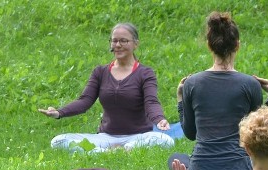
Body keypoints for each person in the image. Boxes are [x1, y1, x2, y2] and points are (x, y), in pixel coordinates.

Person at [168, 12, 268, 170]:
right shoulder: (250, 84)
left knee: (175, 159)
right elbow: (260, 135)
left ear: (209, 45)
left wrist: (180, 99)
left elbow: (190, 134)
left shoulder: (192, 83)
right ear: (237, 45)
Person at [39, 22, 173, 153]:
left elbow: (151, 101)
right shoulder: (100, 72)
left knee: (165, 140)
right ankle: (109, 151)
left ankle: (116, 149)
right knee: (58, 141)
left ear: (135, 44)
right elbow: (85, 101)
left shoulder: (145, 73)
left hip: (138, 136)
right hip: (106, 137)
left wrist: (159, 119)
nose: (118, 45)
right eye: (114, 41)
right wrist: (59, 113)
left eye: (123, 41)